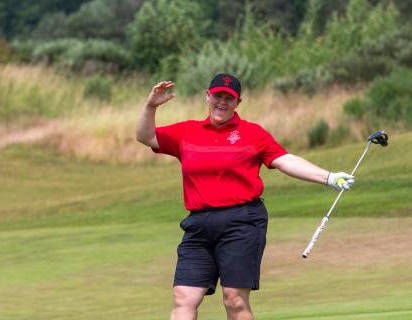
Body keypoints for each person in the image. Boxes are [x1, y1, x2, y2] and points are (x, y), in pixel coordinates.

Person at [136, 74, 354, 320]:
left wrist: (328, 177)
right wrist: (151, 106)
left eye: (229, 98)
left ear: (238, 102)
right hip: (198, 226)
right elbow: (146, 137)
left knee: (235, 299)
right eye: (218, 95)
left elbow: (284, 160)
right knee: (183, 298)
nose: (222, 102)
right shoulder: (187, 131)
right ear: (207, 97)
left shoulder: (252, 133)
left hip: (241, 222)